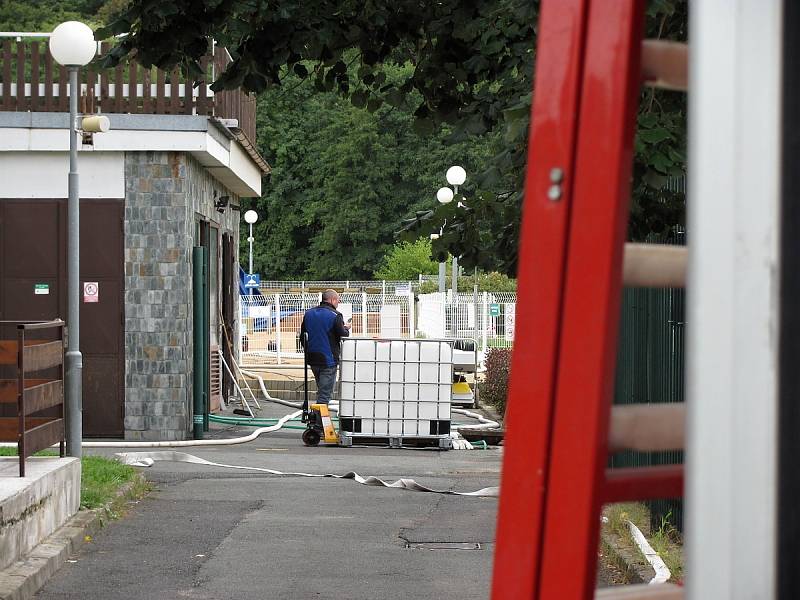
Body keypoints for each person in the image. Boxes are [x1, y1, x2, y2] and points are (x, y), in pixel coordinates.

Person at [300, 289, 351, 404]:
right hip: (328, 360)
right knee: (324, 396)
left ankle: (318, 418)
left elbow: (303, 337)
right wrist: (346, 328)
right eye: (338, 300)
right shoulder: (335, 315)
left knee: (322, 390)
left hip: (312, 358)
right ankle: (319, 421)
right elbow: (343, 335)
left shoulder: (308, 314)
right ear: (333, 300)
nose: (338, 303)